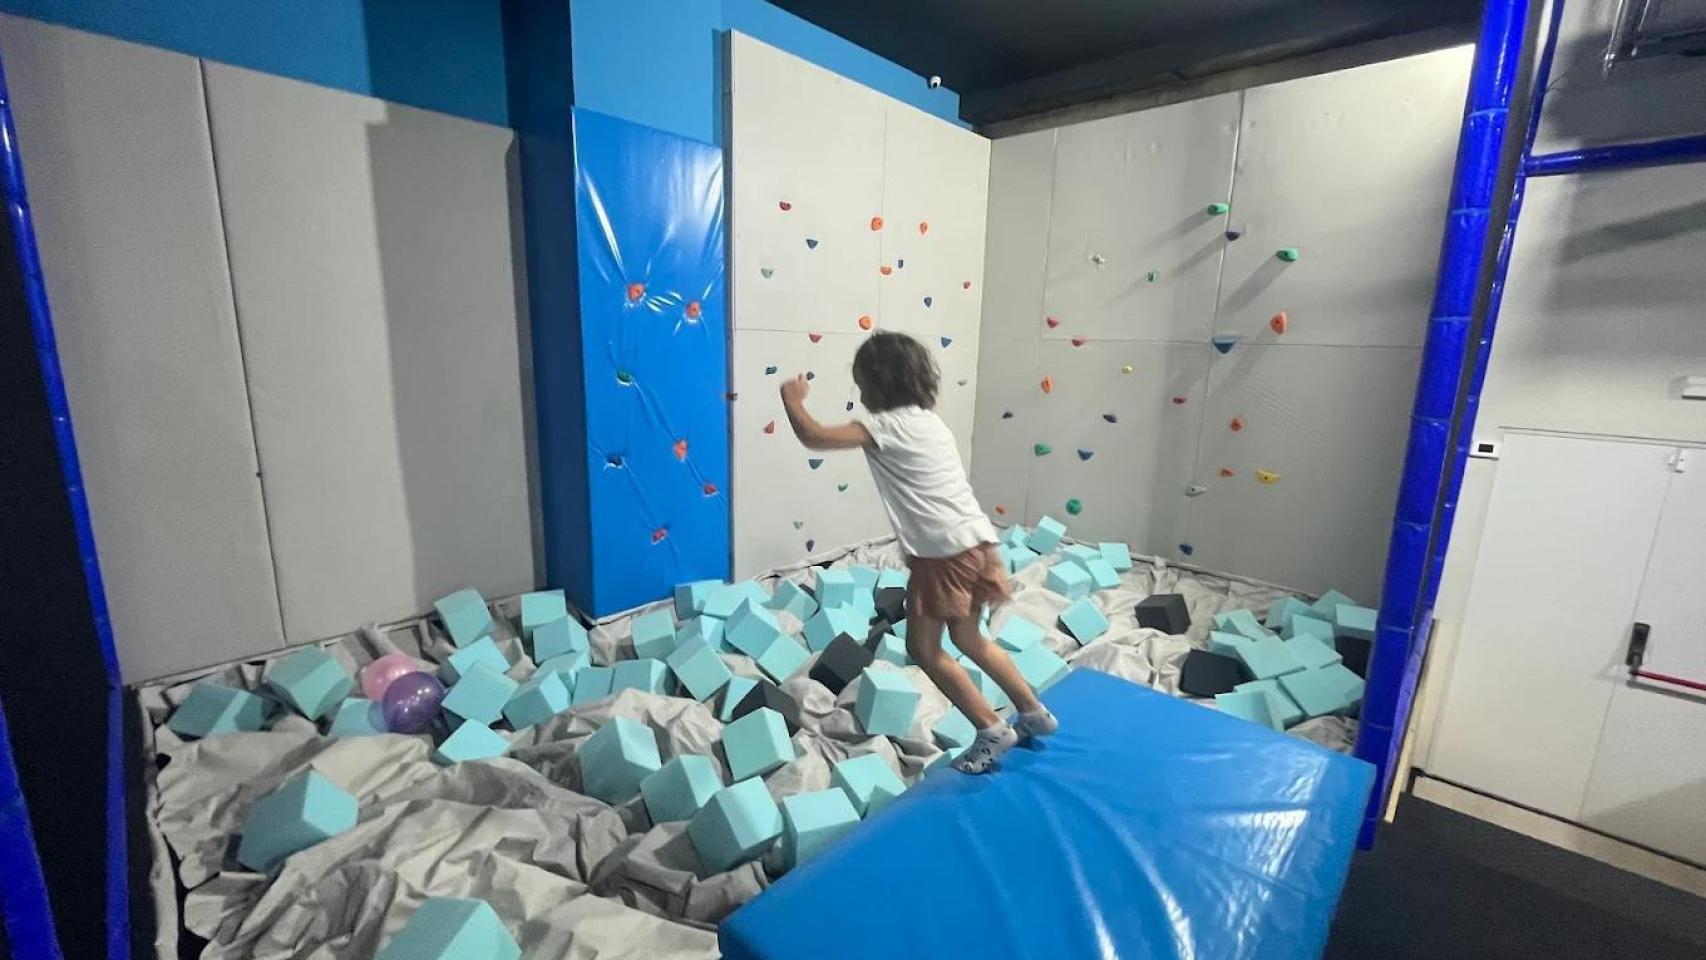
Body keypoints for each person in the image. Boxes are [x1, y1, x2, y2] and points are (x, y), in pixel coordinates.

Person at [779, 331, 1057, 773]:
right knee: (970, 638)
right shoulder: (931, 423)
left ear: (876, 383)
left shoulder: (885, 427)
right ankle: (1033, 712)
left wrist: (792, 399)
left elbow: (814, 436)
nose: (859, 391)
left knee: (924, 649)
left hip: (941, 555)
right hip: (978, 543)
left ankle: (991, 729)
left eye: (860, 382)